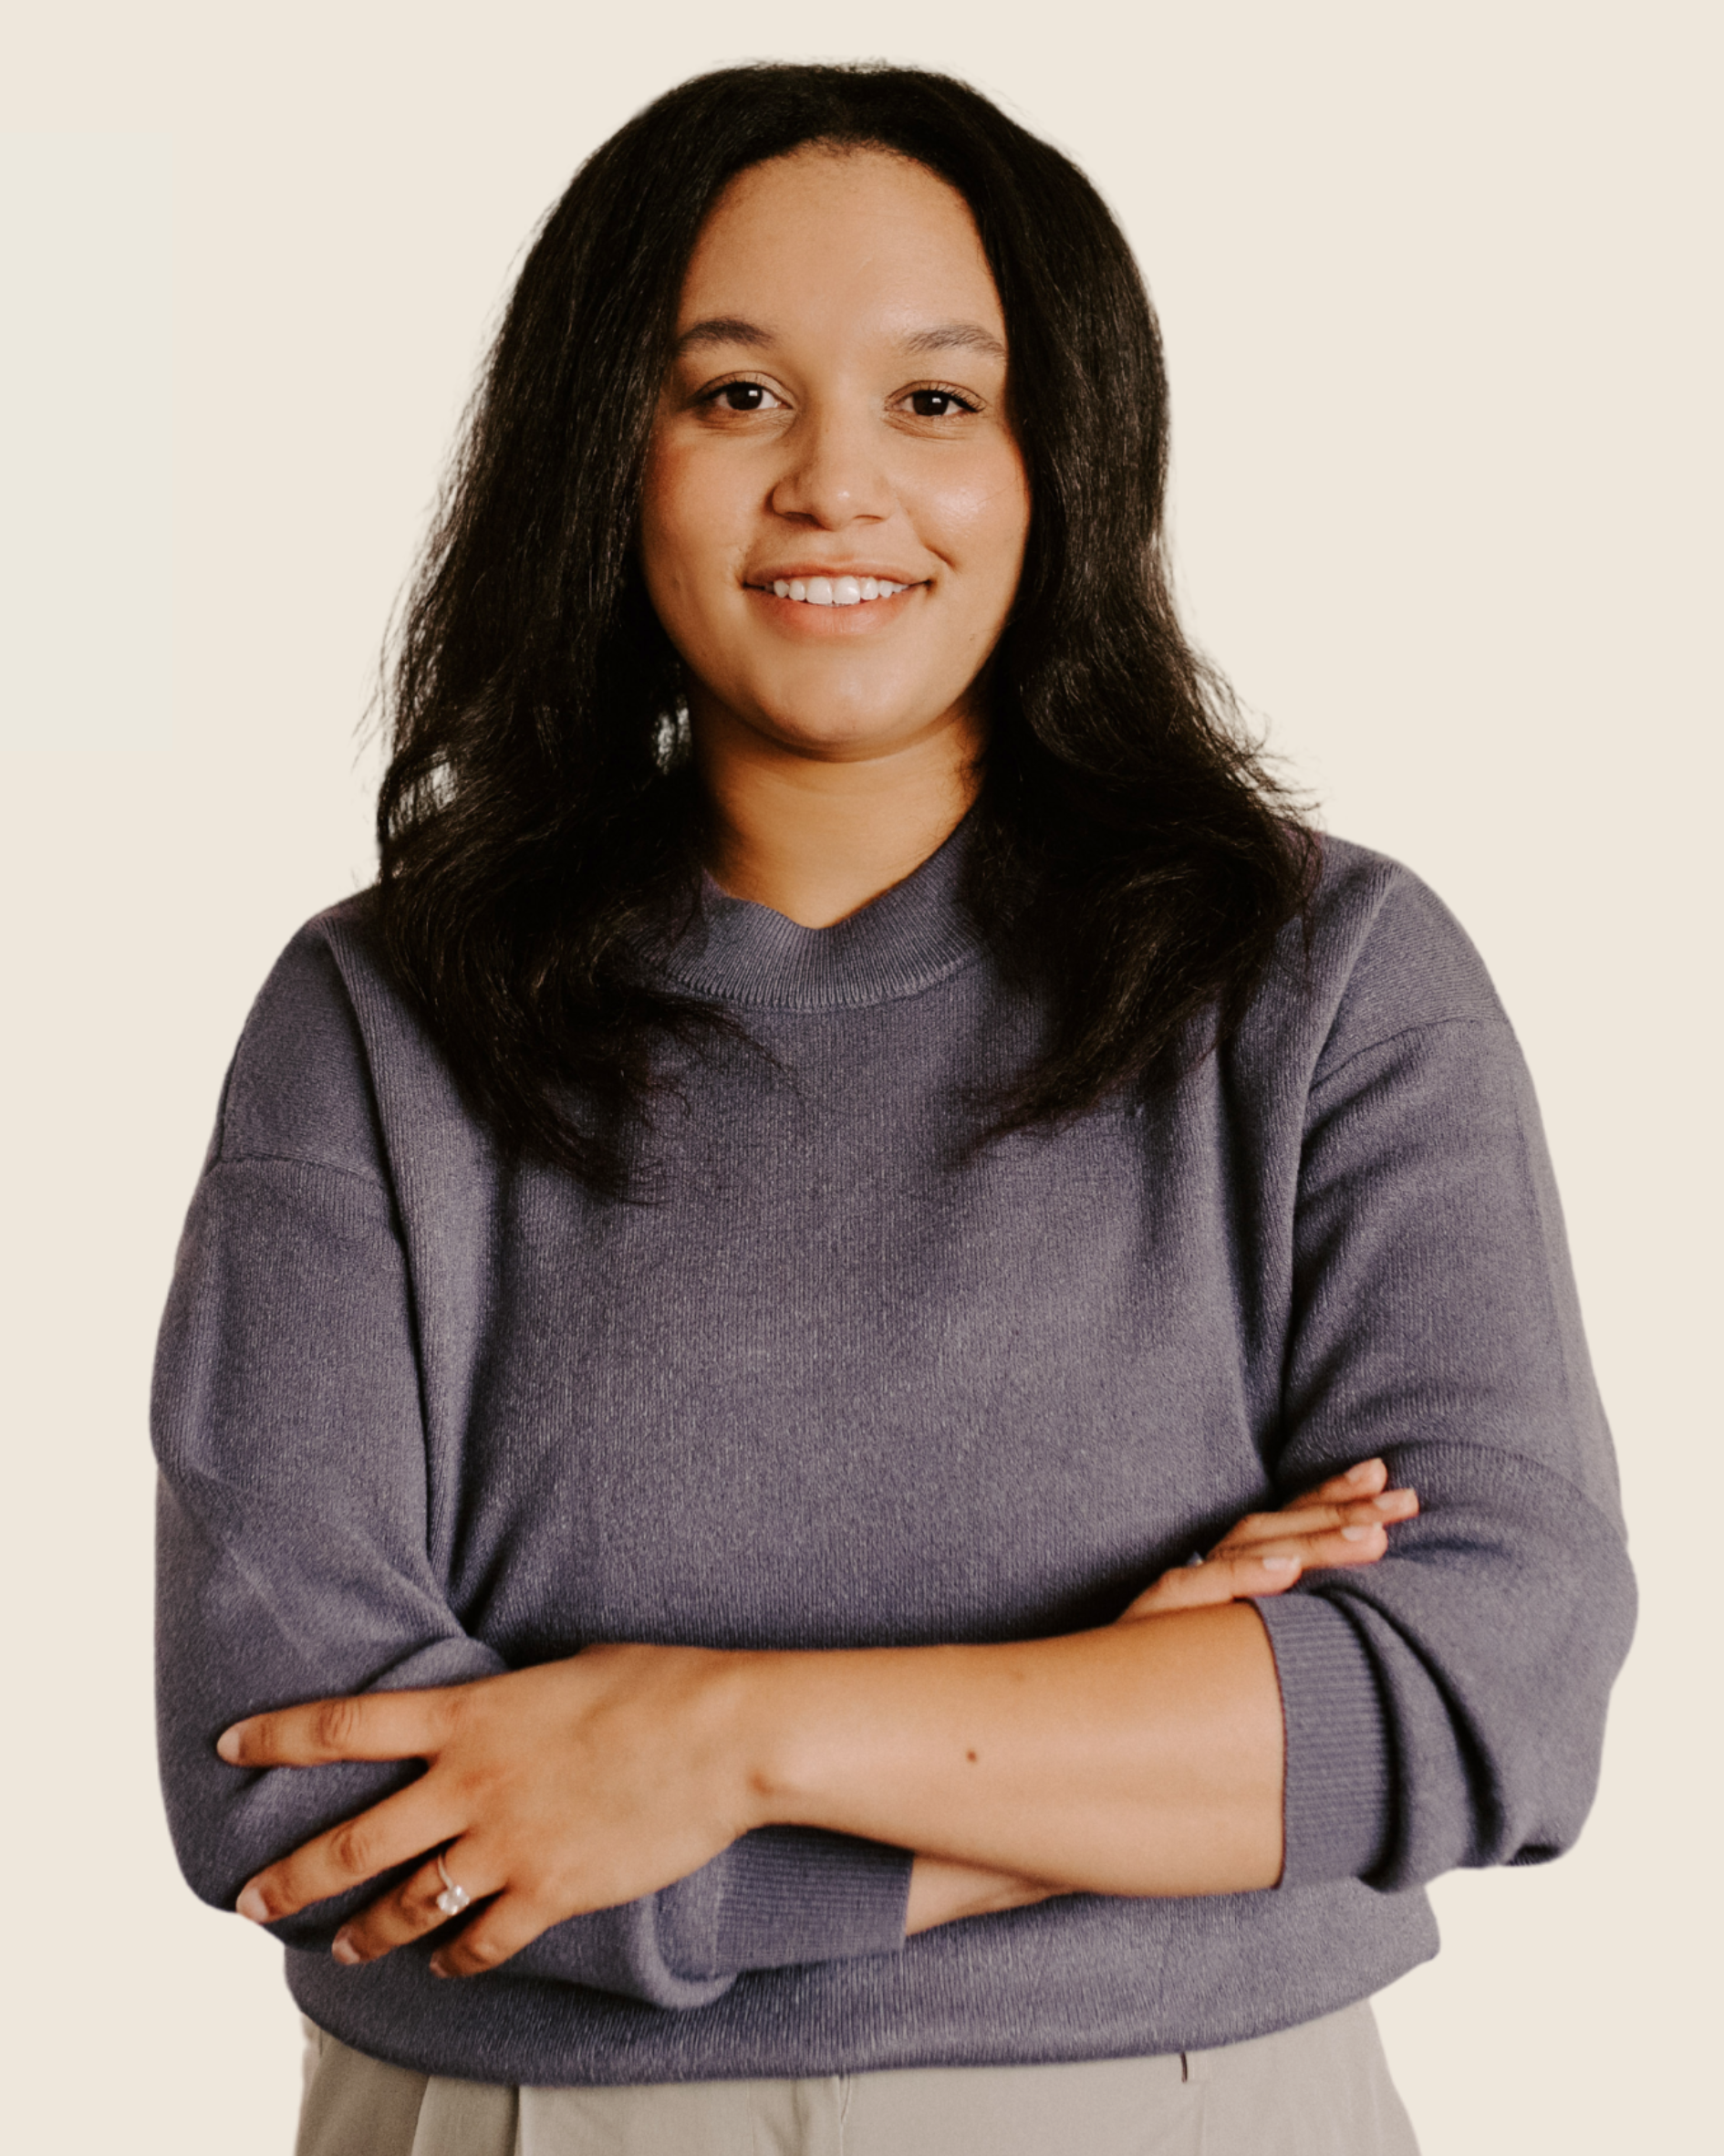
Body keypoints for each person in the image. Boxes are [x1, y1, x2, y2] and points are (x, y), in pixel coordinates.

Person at [151, 61, 1636, 2156]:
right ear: (607, 449)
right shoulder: (377, 1012)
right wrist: (1105, 1742)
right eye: (734, 394)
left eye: (937, 400)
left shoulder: (1325, 978)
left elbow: (1501, 1679)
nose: (838, 484)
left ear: (1061, 457)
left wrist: (717, 1739)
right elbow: (297, 1792)